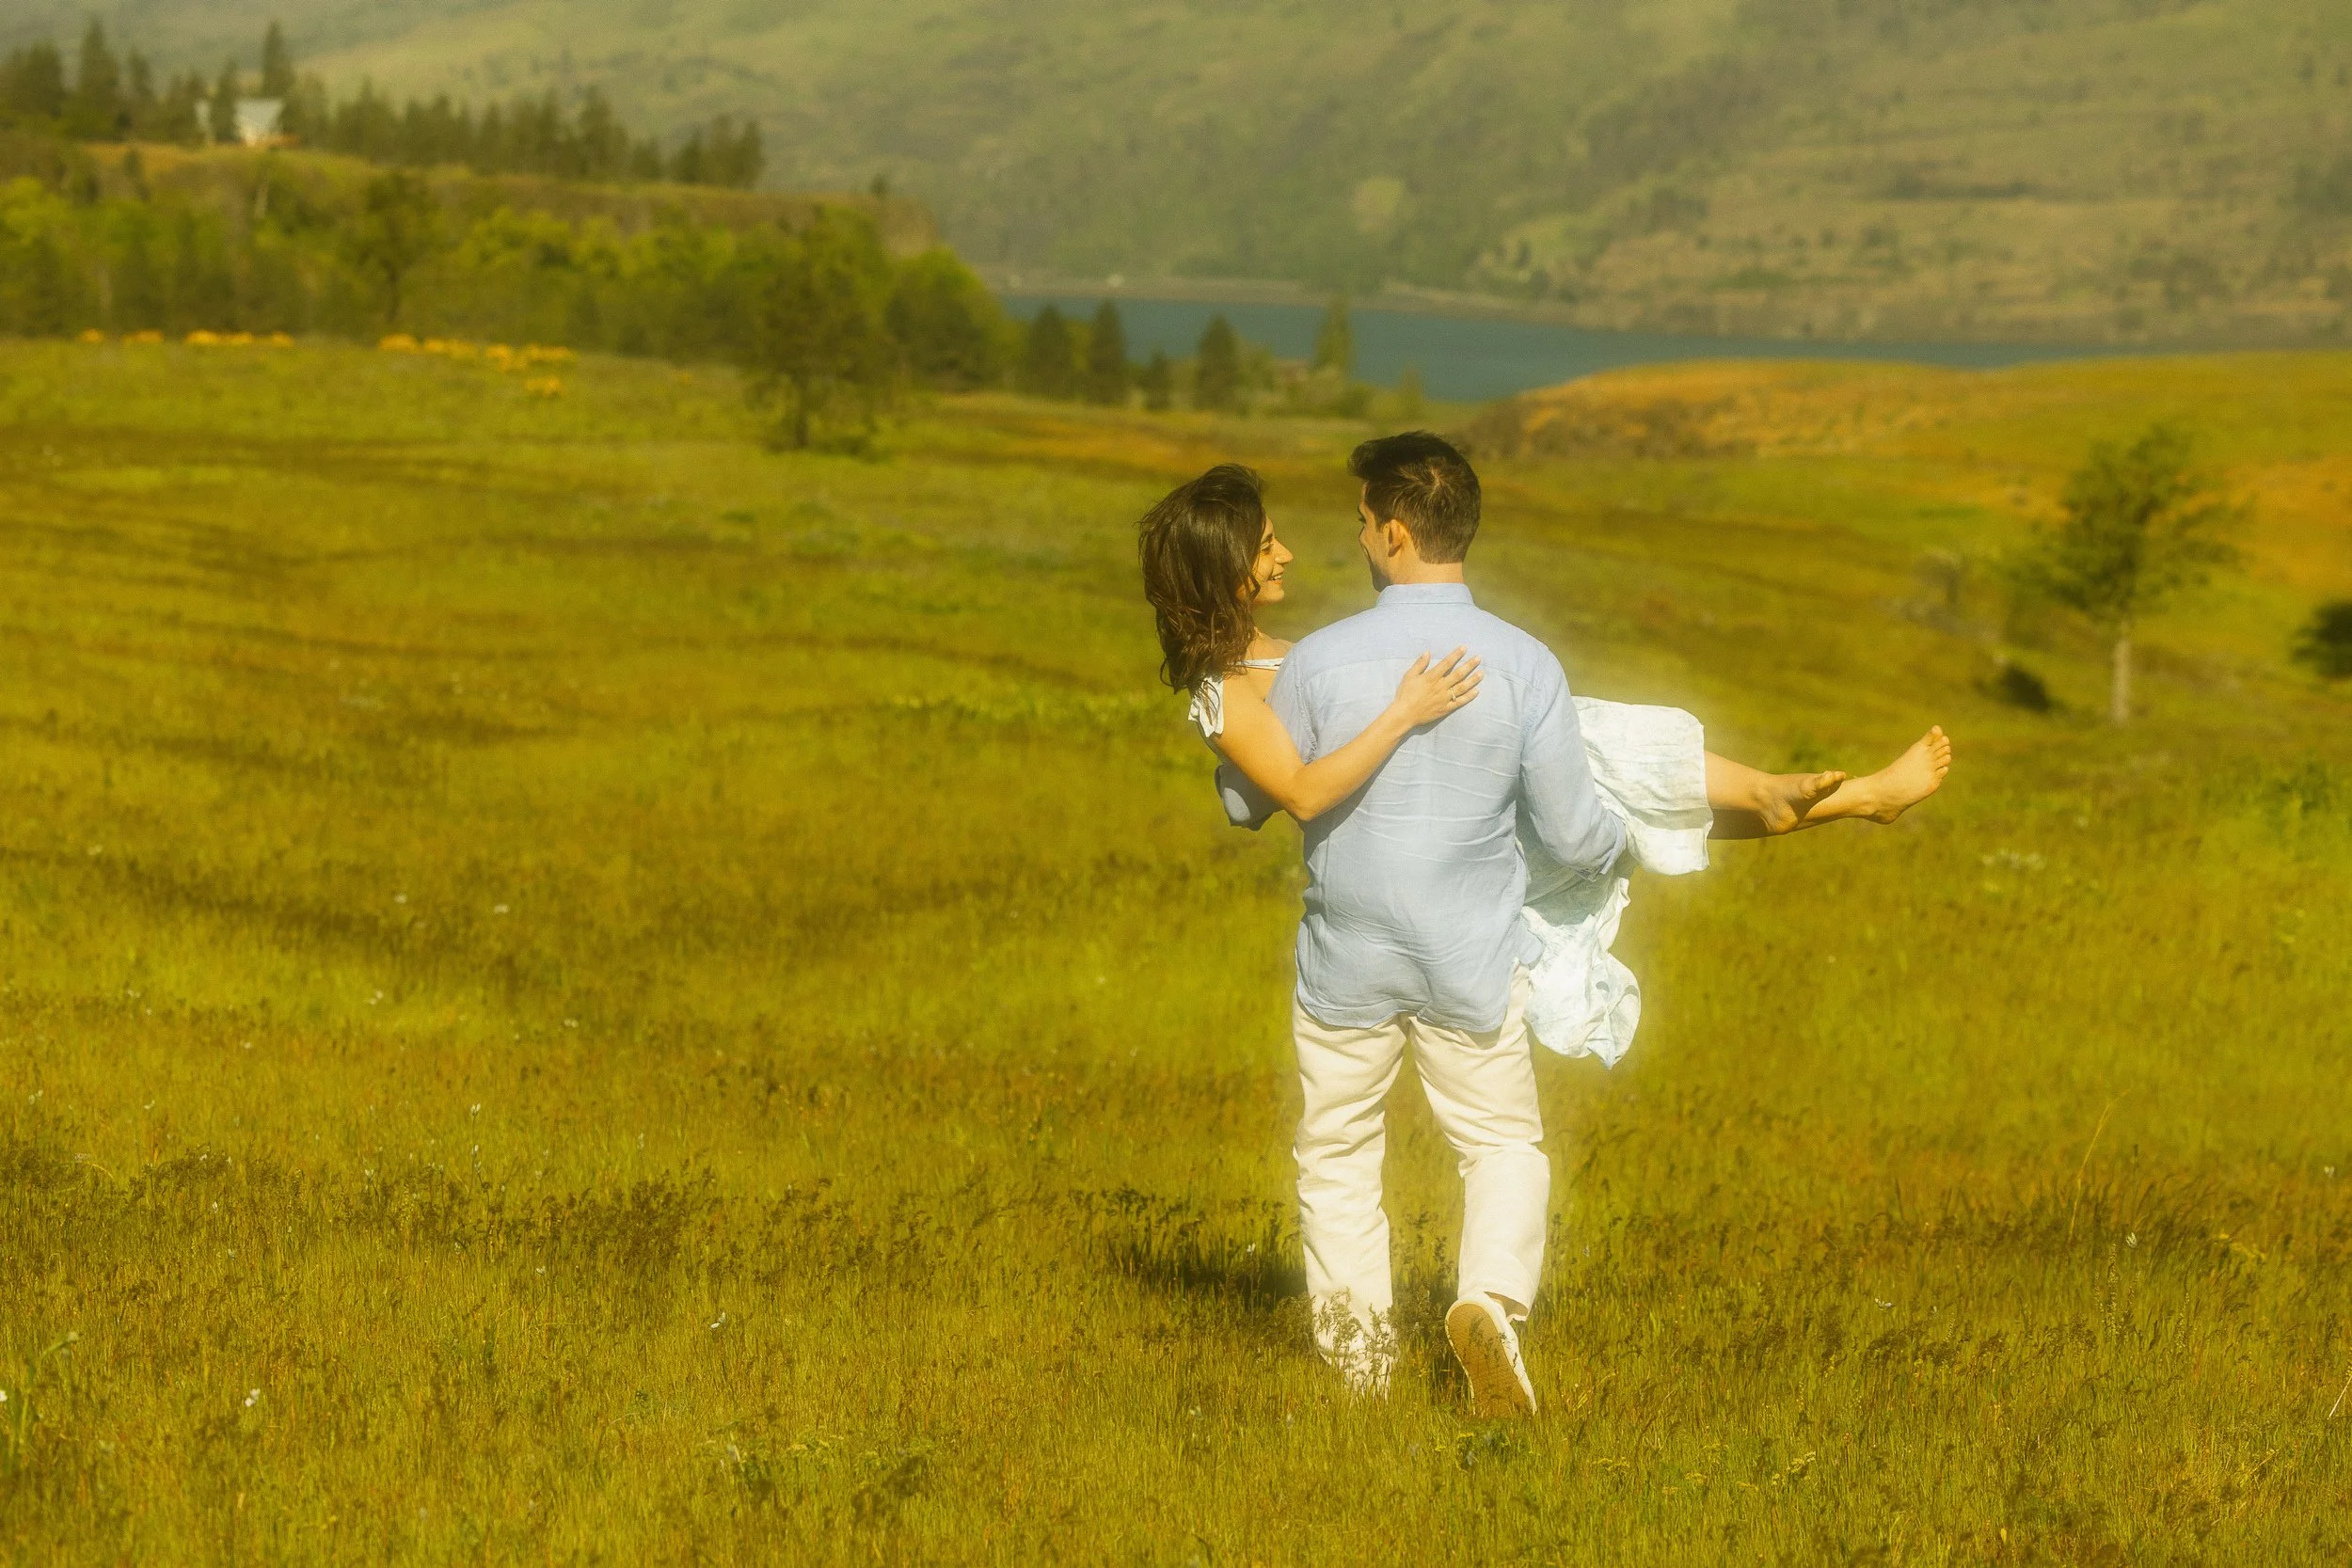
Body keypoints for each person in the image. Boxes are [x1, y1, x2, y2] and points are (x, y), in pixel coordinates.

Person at [1135, 438, 1951, 1417]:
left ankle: (1356, 1367)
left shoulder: (1312, 662)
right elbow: (1560, 826)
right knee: (1502, 1141)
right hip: (1464, 957)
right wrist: (1604, 846)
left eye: (1350, 522)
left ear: (1391, 532)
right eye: (1269, 543)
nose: (1309, 548)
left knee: (1337, 1152)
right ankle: (1487, 1299)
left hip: (1347, 959)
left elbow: (1249, 800)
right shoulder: (1515, 659)